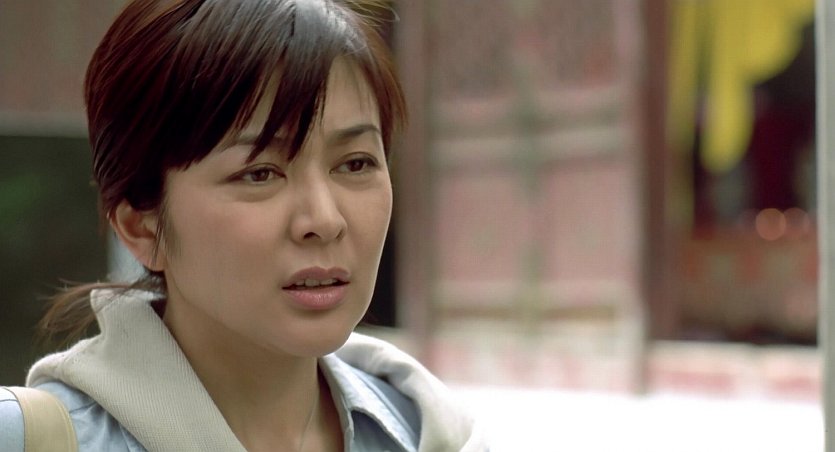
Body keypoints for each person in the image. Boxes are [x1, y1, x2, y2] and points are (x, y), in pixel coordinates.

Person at [0, 0, 486, 450]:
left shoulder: (428, 434)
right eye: (259, 174)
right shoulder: (37, 440)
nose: (324, 220)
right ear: (142, 228)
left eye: (355, 164)